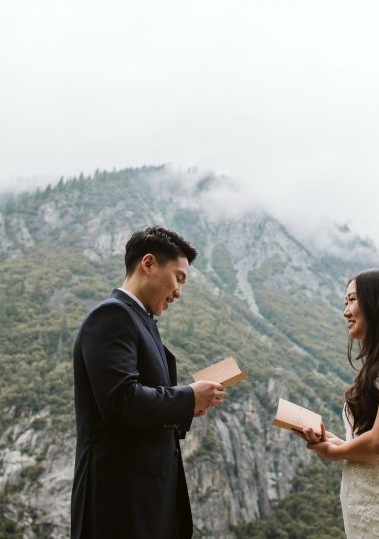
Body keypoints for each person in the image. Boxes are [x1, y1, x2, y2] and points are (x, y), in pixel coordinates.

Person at [71, 226, 226, 539]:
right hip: (118, 504)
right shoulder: (112, 316)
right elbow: (120, 399)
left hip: (144, 501)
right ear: (149, 264)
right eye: (178, 278)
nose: (179, 292)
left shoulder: (140, 320)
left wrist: (187, 406)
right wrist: (187, 398)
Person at [300, 267, 379, 538]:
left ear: (378, 302)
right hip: (366, 521)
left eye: (352, 300)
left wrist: (334, 453)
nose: (345, 312)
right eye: (345, 302)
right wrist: (334, 442)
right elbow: (371, 444)